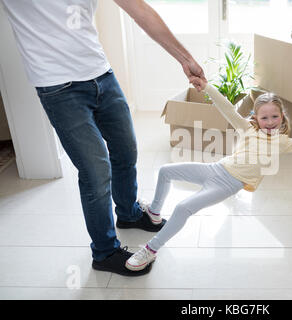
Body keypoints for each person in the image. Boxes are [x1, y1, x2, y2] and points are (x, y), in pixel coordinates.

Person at [1, 0, 206, 276]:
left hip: (102, 75)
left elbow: (140, 11)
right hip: (57, 87)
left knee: (126, 149)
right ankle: (105, 251)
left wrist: (185, 58)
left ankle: (129, 212)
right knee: (96, 171)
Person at [125, 78, 292, 271]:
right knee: (166, 171)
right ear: (256, 118)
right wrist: (207, 87)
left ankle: (150, 250)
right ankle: (155, 213)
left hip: (228, 183)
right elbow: (225, 108)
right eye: (264, 117)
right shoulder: (247, 128)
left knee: (182, 208)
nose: (270, 121)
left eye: (275, 116)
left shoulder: (284, 143)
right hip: (216, 169)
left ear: (282, 117)